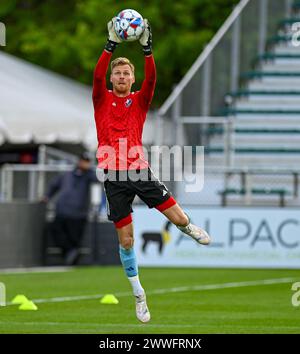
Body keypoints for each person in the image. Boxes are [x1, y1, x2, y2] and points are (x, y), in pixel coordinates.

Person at [93, 18, 211, 323]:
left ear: (133, 79)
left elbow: (153, 79)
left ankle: (189, 228)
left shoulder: (140, 100)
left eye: (126, 72)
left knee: (179, 219)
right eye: (117, 72)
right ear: (112, 78)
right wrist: (110, 45)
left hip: (139, 171)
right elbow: (96, 76)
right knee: (127, 241)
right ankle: (138, 295)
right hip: (113, 176)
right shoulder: (101, 98)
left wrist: (147, 50)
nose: (121, 76)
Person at [43, 152, 98, 265]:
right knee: (56, 231)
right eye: (83, 161)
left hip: (78, 214)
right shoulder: (67, 175)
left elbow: (98, 178)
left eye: (87, 162)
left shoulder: (88, 175)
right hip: (62, 210)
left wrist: (89, 170)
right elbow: (54, 185)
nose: (84, 164)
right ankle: (70, 253)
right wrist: (47, 196)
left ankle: (71, 259)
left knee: (74, 239)